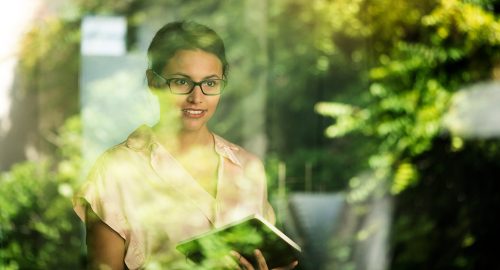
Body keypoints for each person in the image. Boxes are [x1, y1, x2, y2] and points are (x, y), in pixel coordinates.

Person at [73, 21, 298, 269]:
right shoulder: (115, 170)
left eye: (210, 83)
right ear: (153, 81)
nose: (197, 97)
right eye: (181, 82)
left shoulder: (248, 168)